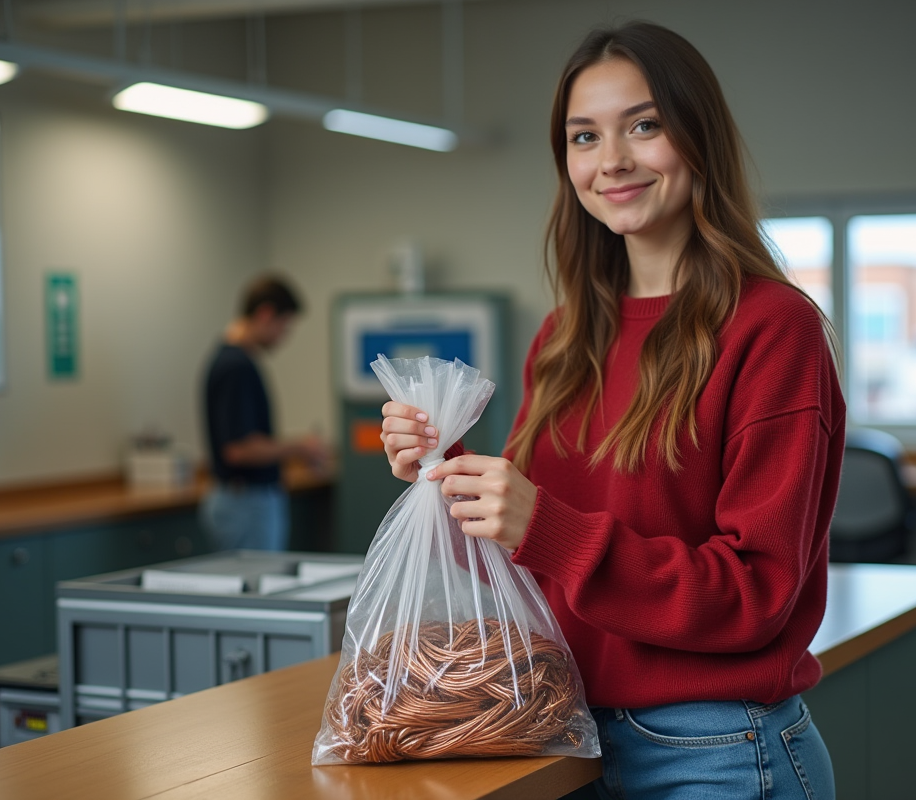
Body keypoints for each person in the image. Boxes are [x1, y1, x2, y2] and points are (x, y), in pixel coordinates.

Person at [380, 21, 845, 800]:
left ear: (698, 137)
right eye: (585, 136)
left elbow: (756, 595)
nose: (613, 161)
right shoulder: (564, 337)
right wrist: (443, 470)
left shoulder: (772, 328)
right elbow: (530, 559)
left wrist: (546, 528)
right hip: (568, 736)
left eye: (644, 125)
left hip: (716, 750)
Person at [200, 274, 326, 552]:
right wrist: (301, 447)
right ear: (266, 314)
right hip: (246, 504)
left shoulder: (233, 359)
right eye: (284, 326)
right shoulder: (236, 366)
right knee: (257, 578)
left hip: (242, 501)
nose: (284, 336)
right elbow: (238, 449)